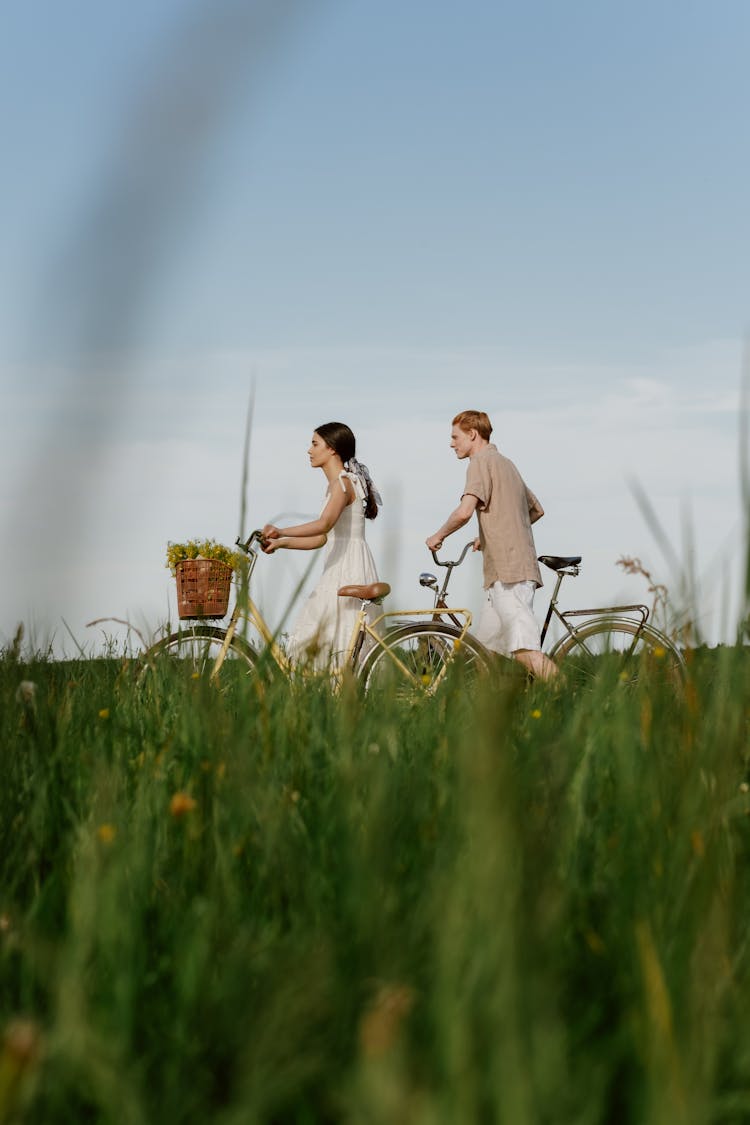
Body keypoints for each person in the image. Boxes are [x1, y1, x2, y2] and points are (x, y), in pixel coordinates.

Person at [425, 409, 558, 681]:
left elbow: (464, 512)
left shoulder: (479, 463)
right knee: (486, 654)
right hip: (505, 570)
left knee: (524, 650)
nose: (451, 444)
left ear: (472, 434)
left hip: (510, 573)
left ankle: (569, 699)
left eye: (455, 437)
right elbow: (536, 510)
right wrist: (489, 536)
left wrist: (438, 536)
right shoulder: (506, 463)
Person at [261, 422, 382, 671]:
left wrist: (281, 529)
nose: (309, 450)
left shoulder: (343, 483)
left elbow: (323, 524)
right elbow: (321, 538)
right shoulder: (338, 484)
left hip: (347, 564)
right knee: (331, 635)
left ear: (332, 449)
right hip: (340, 560)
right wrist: (281, 543)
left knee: (334, 633)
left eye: (315, 444)